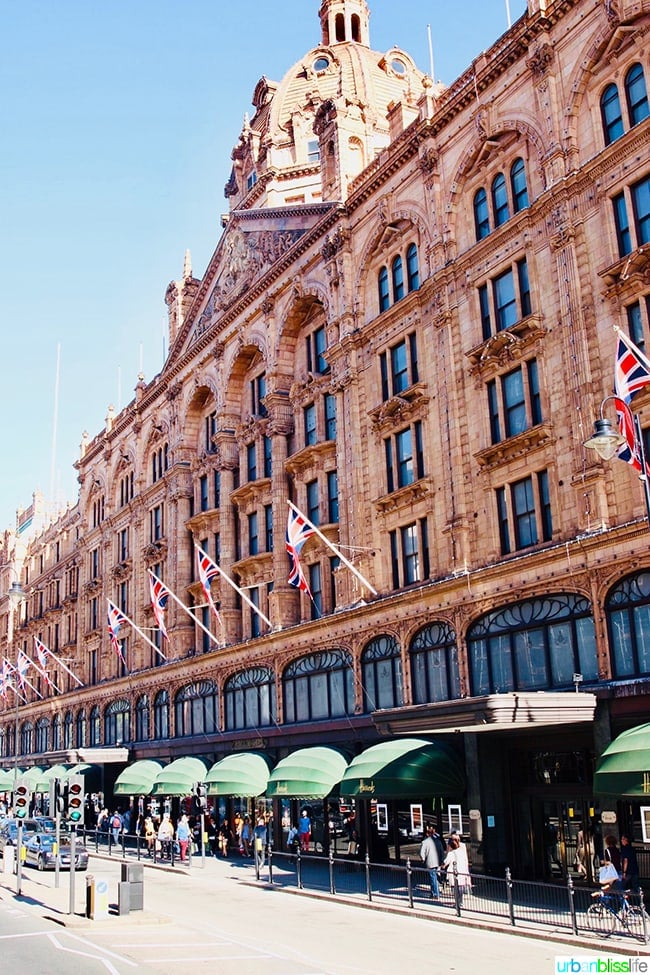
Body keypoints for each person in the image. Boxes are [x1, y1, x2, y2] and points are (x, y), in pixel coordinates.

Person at [443, 834, 472, 907]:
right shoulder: (461, 852)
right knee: (460, 887)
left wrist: (442, 866)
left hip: (454, 872)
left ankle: (457, 903)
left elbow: (446, 862)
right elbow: (465, 859)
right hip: (462, 871)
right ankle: (460, 902)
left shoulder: (451, 853)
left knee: (455, 889)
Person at [420, 824, 446, 900]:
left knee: (433, 877)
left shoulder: (425, 842)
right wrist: (442, 860)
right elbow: (441, 851)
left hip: (430, 862)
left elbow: (422, 853)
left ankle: (435, 893)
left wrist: (423, 859)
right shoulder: (437, 841)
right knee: (435, 877)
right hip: (437, 861)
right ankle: (434, 892)